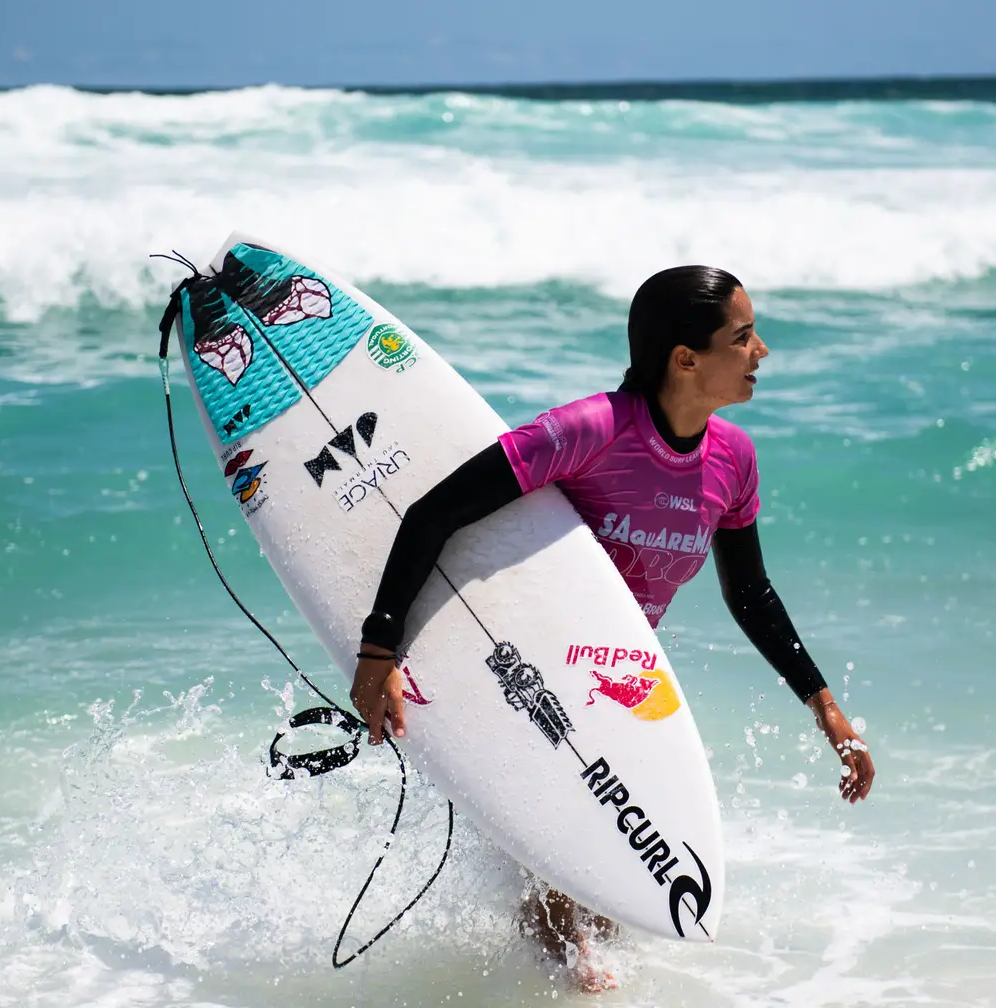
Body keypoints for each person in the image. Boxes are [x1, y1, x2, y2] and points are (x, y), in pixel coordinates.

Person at [349, 265, 875, 991]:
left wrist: (826, 707)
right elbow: (435, 514)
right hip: (520, 664)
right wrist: (381, 650)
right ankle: (553, 961)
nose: (762, 353)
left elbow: (750, 593)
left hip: (613, 679)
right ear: (685, 359)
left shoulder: (733, 460)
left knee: (608, 900)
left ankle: (552, 963)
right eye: (744, 337)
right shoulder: (589, 431)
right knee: (565, 912)